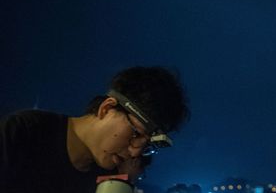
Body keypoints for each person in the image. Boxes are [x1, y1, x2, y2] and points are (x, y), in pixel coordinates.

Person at [0, 66, 189, 192]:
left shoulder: (107, 178)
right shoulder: (26, 132)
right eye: (136, 133)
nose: (135, 152)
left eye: (146, 145)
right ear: (106, 108)